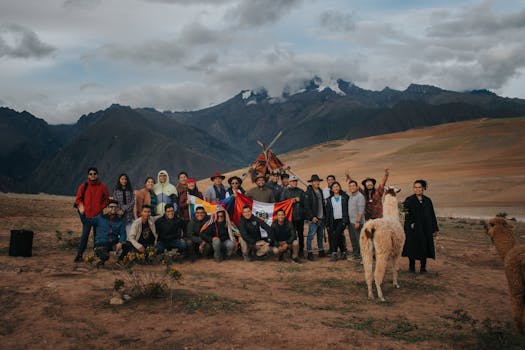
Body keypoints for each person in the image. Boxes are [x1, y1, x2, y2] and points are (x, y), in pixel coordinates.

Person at [402, 180, 439, 273]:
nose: (417, 189)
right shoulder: (409, 200)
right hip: (412, 228)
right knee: (412, 247)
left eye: (419, 187)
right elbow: (405, 212)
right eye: (415, 187)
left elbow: (432, 215)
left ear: (423, 188)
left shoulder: (427, 200)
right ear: (413, 189)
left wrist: (435, 229)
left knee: (424, 246)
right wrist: (410, 223)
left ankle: (423, 268)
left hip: (425, 228)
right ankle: (412, 267)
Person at [74, 167, 110, 262]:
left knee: (97, 237)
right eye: (90, 174)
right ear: (88, 175)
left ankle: (96, 255)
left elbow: (107, 199)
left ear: (97, 175)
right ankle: (79, 255)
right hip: (87, 216)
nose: (93, 175)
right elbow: (78, 199)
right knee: (84, 236)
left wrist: (100, 207)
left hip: (98, 217)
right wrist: (81, 206)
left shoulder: (102, 186)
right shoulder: (84, 186)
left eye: (94, 173)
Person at [79, 200, 126, 265]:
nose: (113, 209)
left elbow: (123, 234)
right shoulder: (100, 218)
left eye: (115, 207)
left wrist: (120, 242)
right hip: (101, 244)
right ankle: (102, 260)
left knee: (128, 245)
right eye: (111, 207)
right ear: (107, 208)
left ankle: (118, 261)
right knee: (105, 256)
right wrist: (82, 214)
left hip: (113, 243)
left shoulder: (120, 221)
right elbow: (87, 222)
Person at [280, 175, 306, 257]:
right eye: (293, 181)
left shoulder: (301, 191)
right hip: (290, 218)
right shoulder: (285, 192)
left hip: (300, 217)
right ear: (289, 182)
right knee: (291, 235)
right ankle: (292, 251)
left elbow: (306, 203)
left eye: (295, 181)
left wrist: (300, 200)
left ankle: (301, 250)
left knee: (301, 234)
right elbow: (282, 203)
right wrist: (291, 201)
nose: (294, 182)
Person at [325, 182, 349, 261]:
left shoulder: (344, 197)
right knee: (339, 236)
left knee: (336, 235)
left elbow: (347, 209)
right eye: (334, 187)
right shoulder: (329, 199)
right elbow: (328, 212)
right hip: (333, 221)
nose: (336, 188)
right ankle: (343, 252)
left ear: (339, 187)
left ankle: (334, 253)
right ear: (332, 189)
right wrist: (327, 223)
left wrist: (346, 221)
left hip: (342, 220)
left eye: (337, 186)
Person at [304, 174, 326, 261]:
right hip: (314, 218)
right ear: (312, 183)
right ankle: (309, 252)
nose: (317, 182)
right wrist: (312, 217)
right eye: (315, 181)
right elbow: (307, 206)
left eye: (318, 181)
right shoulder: (308, 192)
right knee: (311, 236)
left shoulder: (320, 190)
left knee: (320, 236)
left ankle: (321, 251)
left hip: (321, 217)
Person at [347, 180, 365, 260]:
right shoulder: (351, 196)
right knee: (353, 240)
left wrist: (358, 221)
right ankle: (356, 255)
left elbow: (361, 210)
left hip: (358, 223)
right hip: (351, 222)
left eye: (353, 185)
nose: (352, 187)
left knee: (360, 241)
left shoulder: (360, 196)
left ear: (357, 187)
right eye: (350, 186)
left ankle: (363, 257)